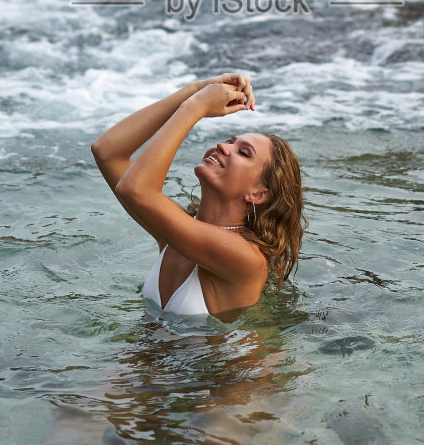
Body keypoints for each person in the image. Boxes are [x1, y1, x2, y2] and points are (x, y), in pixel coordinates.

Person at [91, 73, 303, 319]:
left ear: (258, 194)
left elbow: (136, 190)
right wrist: (194, 89)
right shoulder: (175, 234)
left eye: (244, 153)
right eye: (228, 141)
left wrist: (196, 107)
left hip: (215, 360)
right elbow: (107, 151)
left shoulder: (247, 259)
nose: (222, 146)